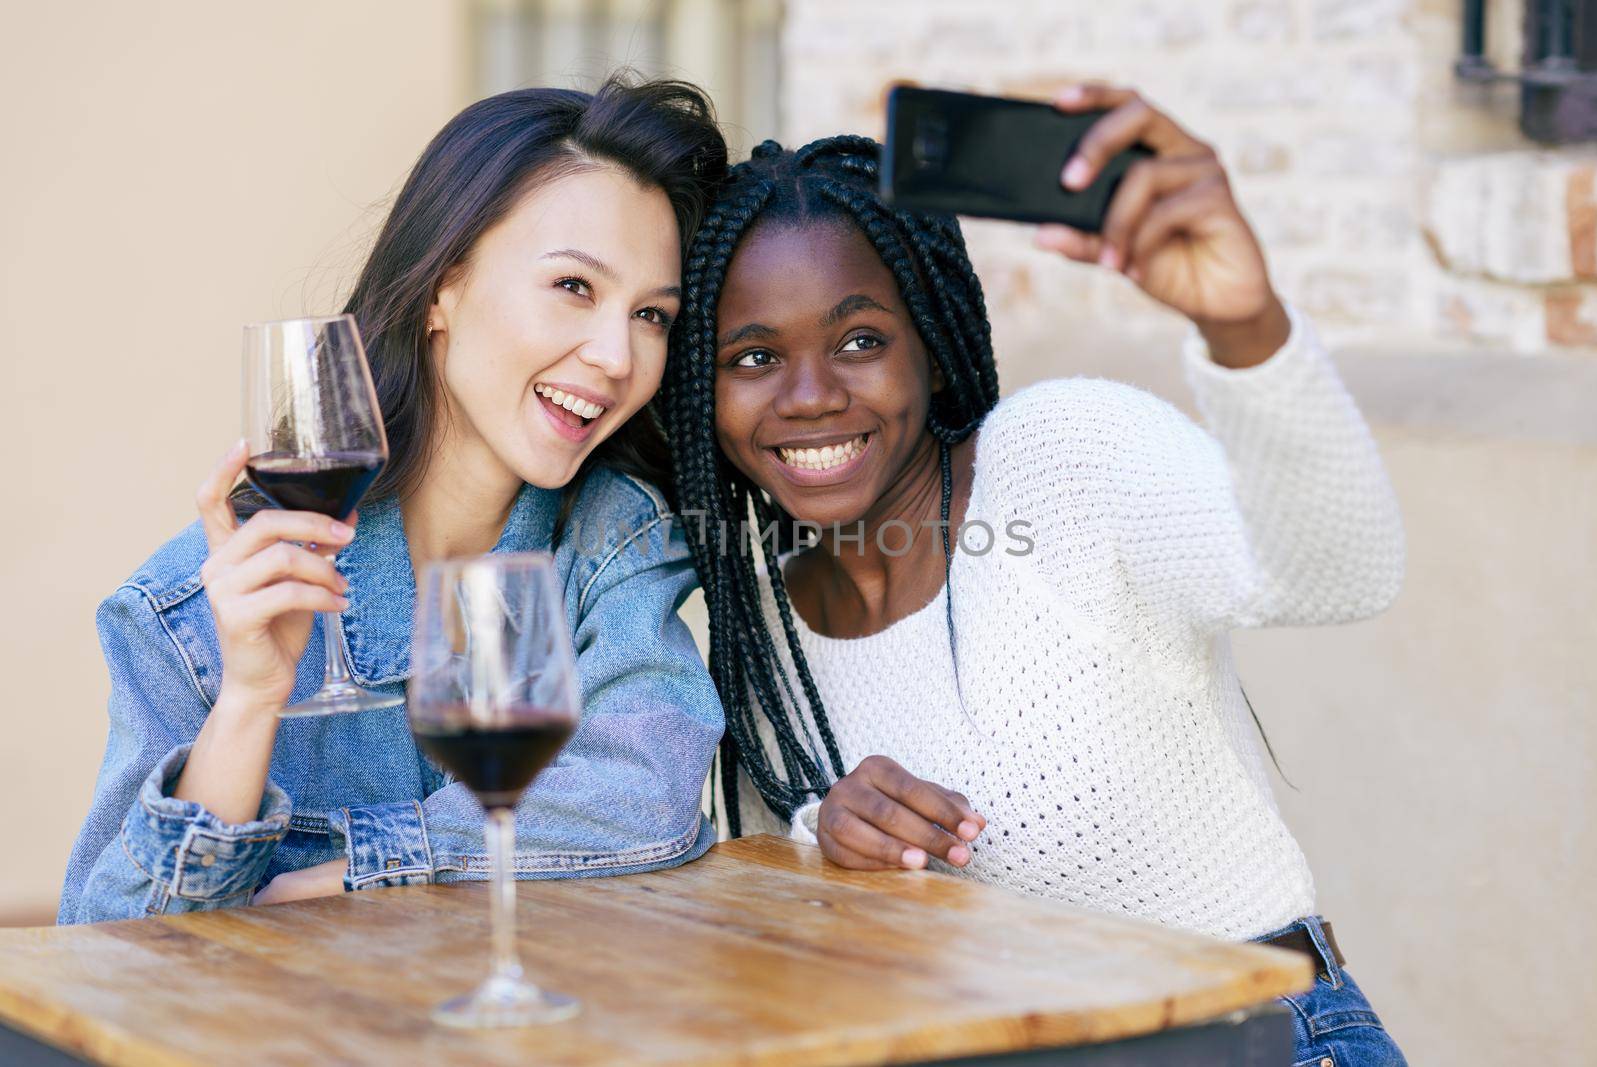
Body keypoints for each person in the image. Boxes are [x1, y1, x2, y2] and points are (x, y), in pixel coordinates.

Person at [659, 84, 1408, 1065]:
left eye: (859, 340)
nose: (811, 396)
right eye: (753, 356)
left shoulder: (1061, 456)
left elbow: (1340, 571)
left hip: (1252, 1037)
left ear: (930, 341)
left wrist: (1244, 325)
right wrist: (822, 833)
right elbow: (812, 942)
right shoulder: (759, 632)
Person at [60, 76, 729, 924]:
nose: (615, 355)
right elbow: (109, 954)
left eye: (652, 316)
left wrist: (373, 866)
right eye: (574, 287)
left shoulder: (609, 539)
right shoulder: (187, 610)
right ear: (441, 286)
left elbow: (646, 789)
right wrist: (251, 701)